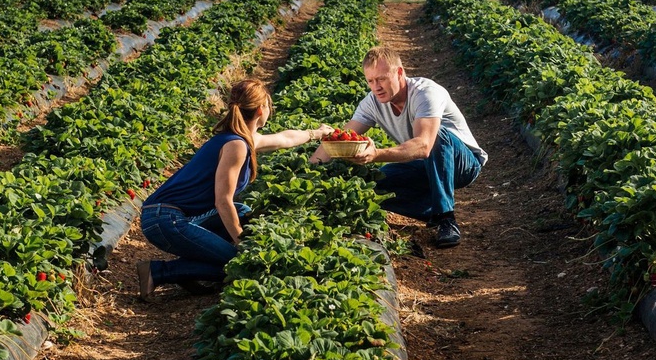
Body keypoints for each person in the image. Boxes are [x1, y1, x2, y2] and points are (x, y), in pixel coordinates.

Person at [136, 78, 331, 299]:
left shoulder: (241, 138)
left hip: (169, 216)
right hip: (164, 219)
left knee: (242, 211)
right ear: (260, 110)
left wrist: (317, 133)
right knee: (239, 264)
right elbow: (222, 201)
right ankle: (157, 272)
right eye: (269, 105)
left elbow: (284, 138)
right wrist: (240, 243)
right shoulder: (236, 145)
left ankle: (193, 267)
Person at [311, 45, 486, 248]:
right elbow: (341, 139)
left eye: (382, 79)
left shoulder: (425, 93)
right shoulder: (372, 103)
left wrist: (376, 154)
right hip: (422, 165)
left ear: (400, 73)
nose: (376, 86)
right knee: (374, 185)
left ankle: (446, 218)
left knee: (437, 135)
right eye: (370, 81)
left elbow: (424, 146)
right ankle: (431, 211)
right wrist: (311, 170)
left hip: (463, 164)